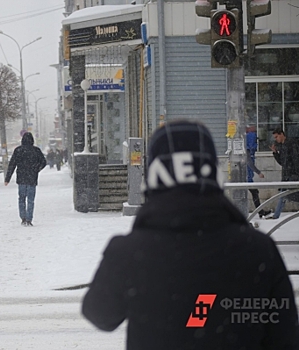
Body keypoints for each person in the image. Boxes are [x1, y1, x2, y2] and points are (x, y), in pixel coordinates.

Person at [82, 120, 299, 349]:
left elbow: (100, 315)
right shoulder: (258, 249)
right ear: (211, 172)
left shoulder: (130, 252)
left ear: (155, 177)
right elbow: (285, 336)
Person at [4, 132, 47, 227]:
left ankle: (23, 217)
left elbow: (12, 165)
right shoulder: (36, 150)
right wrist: (37, 169)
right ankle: (29, 218)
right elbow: (43, 162)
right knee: (31, 200)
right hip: (32, 178)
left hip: (21, 178)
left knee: (21, 199)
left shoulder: (18, 150)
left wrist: (7, 178)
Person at [268, 127, 299, 219]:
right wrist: (275, 153)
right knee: (283, 194)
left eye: (277, 137)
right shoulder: (282, 146)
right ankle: (276, 215)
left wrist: (296, 173)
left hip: (292, 174)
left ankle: (276, 215)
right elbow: (282, 162)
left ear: (282, 134)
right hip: (287, 174)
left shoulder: (291, 144)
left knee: (285, 195)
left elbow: (295, 159)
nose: (276, 139)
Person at [246, 126, 271, 218]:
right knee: (254, 193)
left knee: (254, 192)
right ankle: (260, 212)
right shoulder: (247, 151)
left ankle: (260, 212)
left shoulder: (248, 149)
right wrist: (258, 172)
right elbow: (249, 163)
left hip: (247, 177)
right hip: (245, 178)